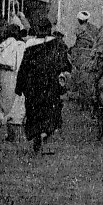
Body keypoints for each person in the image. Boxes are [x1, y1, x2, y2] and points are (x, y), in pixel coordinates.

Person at [17, 13, 71, 154]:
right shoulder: (58, 44)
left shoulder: (30, 44)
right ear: (49, 29)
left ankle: (36, 135)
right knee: (50, 110)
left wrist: (19, 86)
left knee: (34, 111)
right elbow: (65, 64)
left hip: (33, 85)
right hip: (50, 84)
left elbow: (24, 67)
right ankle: (45, 134)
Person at [0, 19, 27, 142]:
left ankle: (12, 135)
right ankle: (13, 135)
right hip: (15, 76)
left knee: (8, 104)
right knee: (15, 105)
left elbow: (1, 60)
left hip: (9, 77)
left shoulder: (10, 43)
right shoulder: (22, 45)